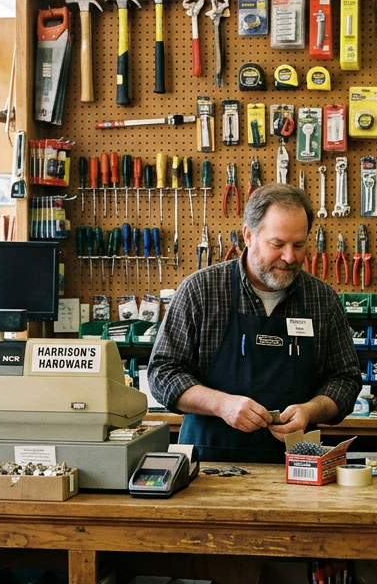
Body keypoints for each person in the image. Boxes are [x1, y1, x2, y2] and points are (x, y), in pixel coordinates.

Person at [147, 183, 361, 463]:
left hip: (296, 468)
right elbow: (162, 373)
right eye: (277, 244)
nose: (289, 257)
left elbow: (345, 379)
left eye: (299, 245)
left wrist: (310, 410)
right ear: (248, 235)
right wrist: (221, 404)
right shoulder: (201, 291)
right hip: (209, 468)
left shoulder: (322, 300)